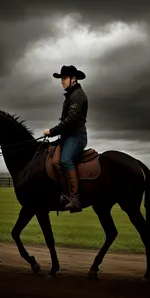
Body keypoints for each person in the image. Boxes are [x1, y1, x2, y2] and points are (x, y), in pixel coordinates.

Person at [43, 65, 88, 212]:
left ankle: (74, 199)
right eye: (61, 79)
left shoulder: (77, 95)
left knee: (65, 160)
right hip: (68, 137)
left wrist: (52, 131)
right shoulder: (71, 95)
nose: (61, 81)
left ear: (73, 79)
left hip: (76, 137)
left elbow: (71, 120)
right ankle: (64, 194)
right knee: (55, 160)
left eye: (64, 78)